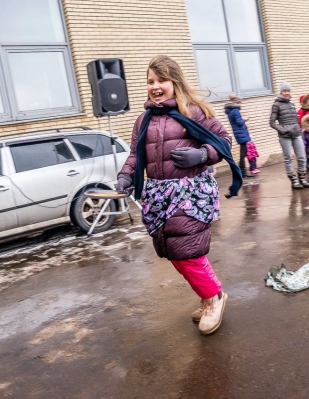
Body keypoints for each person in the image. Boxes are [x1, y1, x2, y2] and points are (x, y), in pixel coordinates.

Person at [116, 55, 242, 335]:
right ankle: (208, 294)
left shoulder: (194, 111)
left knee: (188, 252)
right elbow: (136, 155)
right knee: (173, 252)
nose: (155, 86)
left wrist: (201, 154)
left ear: (175, 82)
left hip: (190, 192)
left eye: (162, 80)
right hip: (159, 195)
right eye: (150, 81)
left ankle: (214, 298)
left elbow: (223, 142)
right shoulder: (143, 120)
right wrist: (126, 175)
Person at [270, 82, 309, 189]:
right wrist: (283, 130)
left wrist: (300, 132)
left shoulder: (291, 104)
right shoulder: (276, 105)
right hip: (285, 136)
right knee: (288, 158)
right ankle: (294, 181)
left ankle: (302, 178)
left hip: (296, 134)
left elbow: (296, 120)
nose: (286, 93)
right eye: (284, 91)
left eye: (288, 91)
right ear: (281, 92)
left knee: (302, 157)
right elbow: (272, 122)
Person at [224, 93, 254, 177]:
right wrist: (245, 120)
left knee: (243, 153)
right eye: (240, 103)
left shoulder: (230, 111)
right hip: (241, 133)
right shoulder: (235, 111)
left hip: (238, 133)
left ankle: (242, 171)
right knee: (243, 154)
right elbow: (239, 122)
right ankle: (243, 172)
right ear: (237, 102)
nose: (240, 105)